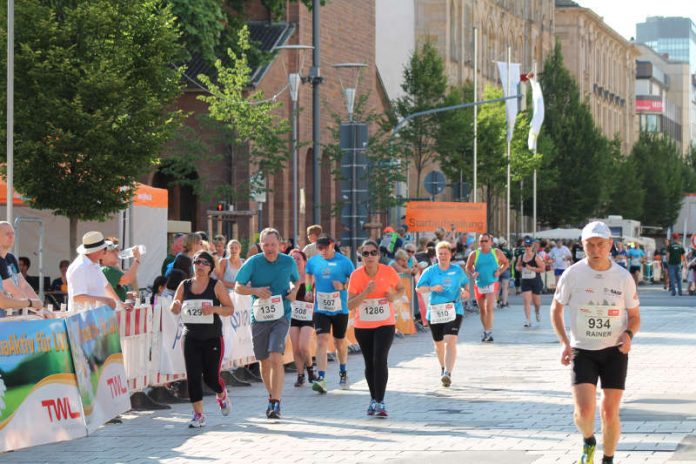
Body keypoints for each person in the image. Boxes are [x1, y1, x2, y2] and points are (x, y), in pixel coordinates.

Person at [550, 221, 640, 464]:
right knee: (584, 413)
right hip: (583, 350)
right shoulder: (572, 274)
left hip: (614, 351)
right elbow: (556, 309)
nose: (596, 249)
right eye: (590, 244)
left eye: (601, 244)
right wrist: (563, 342)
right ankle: (589, 440)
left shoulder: (623, 277)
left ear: (610, 245)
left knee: (610, 412)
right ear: (583, 245)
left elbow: (634, 317)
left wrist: (628, 335)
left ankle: (607, 459)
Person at [235, 228, 300, 419]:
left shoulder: (288, 261)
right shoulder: (253, 262)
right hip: (259, 317)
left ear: (280, 244)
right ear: (261, 245)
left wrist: (295, 291)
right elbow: (238, 287)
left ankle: (276, 402)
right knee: (264, 361)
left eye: (273, 245)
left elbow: (297, 281)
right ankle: (271, 397)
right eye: (266, 245)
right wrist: (255, 290)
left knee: (275, 355)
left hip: (282, 314)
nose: (270, 249)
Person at [169, 251, 234, 428]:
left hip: (212, 337)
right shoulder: (185, 284)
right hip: (191, 336)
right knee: (193, 376)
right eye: (197, 262)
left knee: (211, 378)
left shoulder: (216, 285)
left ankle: (222, 394)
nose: (200, 266)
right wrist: (175, 305)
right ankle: (198, 415)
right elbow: (175, 307)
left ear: (211, 267)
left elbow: (229, 309)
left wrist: (213, 309)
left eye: (205, 263)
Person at [347, 240, 404, 417]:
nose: (370, 256)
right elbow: (350, 305)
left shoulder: (388, 271)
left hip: (385, 323)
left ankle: (380, 401)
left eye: (373, 253)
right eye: (366, 254)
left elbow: (401, 289)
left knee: (380, 359)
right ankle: (373, 399)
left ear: (378, 255)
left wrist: (393, 296)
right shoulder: (356, 276)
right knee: (369, 362)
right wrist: (365, 292)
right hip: (363, 325)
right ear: (361, 256)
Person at [305, 234, 354, 393]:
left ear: (332, 245)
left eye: (324, 248)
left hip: (340, 308)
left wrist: (343, 286)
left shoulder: (344, 262)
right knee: (321, 340)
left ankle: (343, 372)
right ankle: (321, 378)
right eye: (319, 248)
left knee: (339, 342)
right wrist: (308, 290)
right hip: (321, 308)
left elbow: (354, 282)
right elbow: (308, 275)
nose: (322, 251)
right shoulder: (314, 261)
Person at [416, 241, 469, 387]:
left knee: (450, 340)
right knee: (439, 344)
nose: (443, 256)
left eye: (446, 253)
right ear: (436, 256)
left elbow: (465, 283)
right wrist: (432, 288)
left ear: (450, 255)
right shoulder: (430, 271)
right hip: (436, 310)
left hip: (454, 308)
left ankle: (448, 373)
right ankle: (443, 368)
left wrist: (466, 292)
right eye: (440, 254)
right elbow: (418, 288)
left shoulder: (457, 270)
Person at [465, 233, 509, 343]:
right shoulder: (474, 254)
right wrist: (473, 273)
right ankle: (486, 330)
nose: (483, 243)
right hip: (479, 284)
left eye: (485, 241)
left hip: (492, 283)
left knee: (489, 307)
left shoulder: (496, 252)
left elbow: (506, 263)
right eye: (481, 241)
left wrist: (500, 271)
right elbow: (468, 267)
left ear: (491, 242)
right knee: (482, 310)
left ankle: (488, 332)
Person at [67, 231, 120, 310]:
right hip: (83, 318)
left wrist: (119, 303)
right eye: (105, 248)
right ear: (97, 251)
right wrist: (105, 300)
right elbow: (77, 297)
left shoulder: (94, 263)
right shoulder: (79, 267)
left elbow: (106, 285)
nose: (106, 252)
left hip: (95, 316)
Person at [288, 249, 316, 387]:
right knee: (296, 348)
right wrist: (295, 285)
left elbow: (318, 295)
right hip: (293, 315)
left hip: (308, 315)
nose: (296, 261)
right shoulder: (288, 278)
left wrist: (312, 296)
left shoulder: (311, 277)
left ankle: (310, 369)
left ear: (305, 261)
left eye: (298, 258)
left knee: (304, 346)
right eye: (292, 259)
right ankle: (300, 375)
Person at [0, 222, 41, 303]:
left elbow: (23, 285)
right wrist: (33, 305)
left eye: (13, 233)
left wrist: (39, 306)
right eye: (7, 234)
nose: (11, 236)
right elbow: (11, 289)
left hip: (10, 311)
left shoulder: (11, 258)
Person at [516, 236, 545, 327]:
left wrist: (532, 268)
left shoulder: (536, 257)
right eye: (526, 246)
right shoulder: (521, 257)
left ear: (532, 246)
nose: (527, 248)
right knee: (526, 301)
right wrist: (520, 268)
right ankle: (527, 320)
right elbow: (517, 266)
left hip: (535, 281)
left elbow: (542, 268)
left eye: (529, 246)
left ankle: (537, 312)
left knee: (537, 303)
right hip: (525, 281)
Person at [497, 238, 513, 308]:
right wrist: (509, 264)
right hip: (505, 269)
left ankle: (497, 301)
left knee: (497, 287)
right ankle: (504, 303)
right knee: (505, 287)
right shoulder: (507, 251)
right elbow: (513, 258)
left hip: (497, 269)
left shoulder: (495, 251)